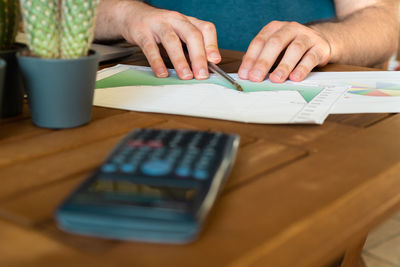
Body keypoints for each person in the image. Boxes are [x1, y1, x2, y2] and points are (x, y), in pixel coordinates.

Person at [94, 0, 399, 83]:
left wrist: (329, 40)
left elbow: (384, 19)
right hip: (157, 102)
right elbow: (58, 11)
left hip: (304, 102)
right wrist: (124, 13)